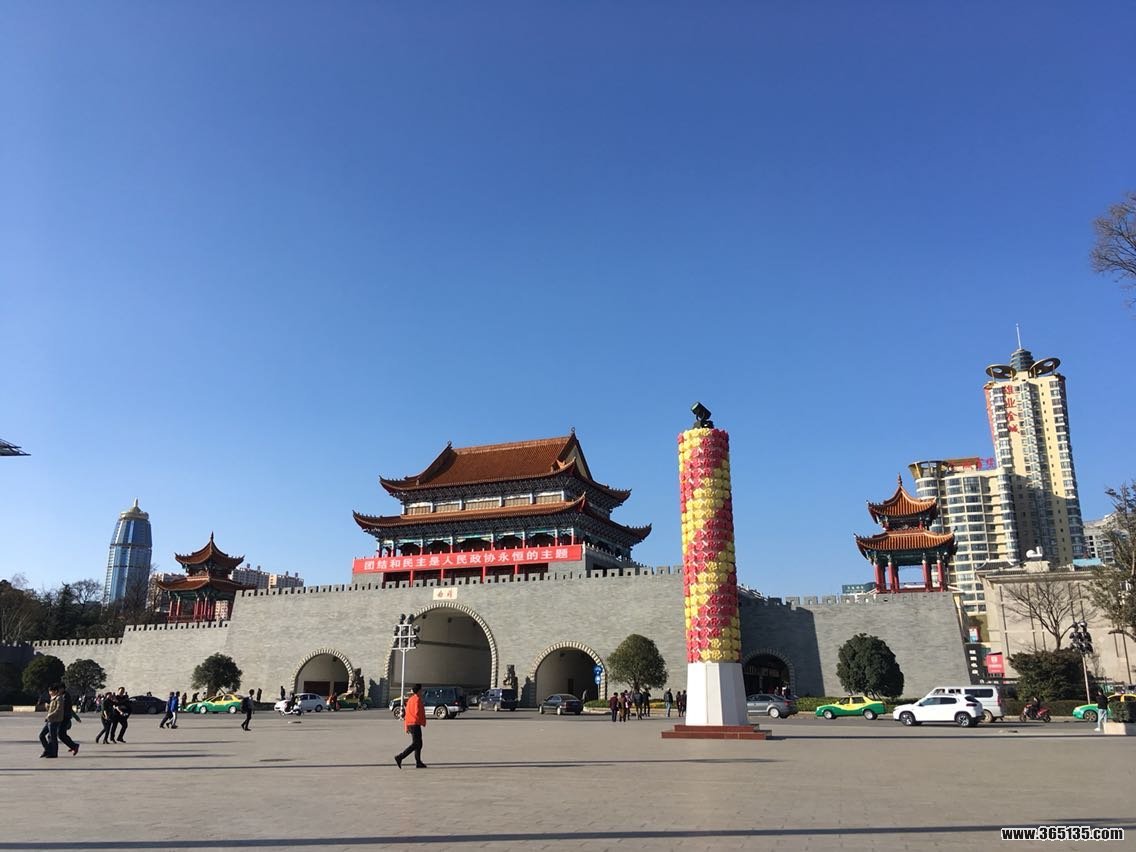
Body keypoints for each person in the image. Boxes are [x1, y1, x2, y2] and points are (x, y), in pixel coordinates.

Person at [394, 683, 427, 769]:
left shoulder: (410, 699)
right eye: (421, 690)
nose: (422, 691)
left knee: (419, 743)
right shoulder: (417, 699)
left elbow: (407, 714)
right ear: (419, 691)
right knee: (416, 744)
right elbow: (417, 712)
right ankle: (400, 757)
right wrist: (422, 721)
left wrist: (406, 726)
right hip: (415, 724)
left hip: (411, 723)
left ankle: (418, 762)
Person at [39, 684, 65, 758]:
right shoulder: (52, 698)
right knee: (41, 735)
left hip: (55, 720)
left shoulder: (59, 698)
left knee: (53, 737)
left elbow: (58, 710)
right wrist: (47, 706)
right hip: (50, 720)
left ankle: (54, 753)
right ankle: (47, 750)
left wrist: (49, 716)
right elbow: (51, 709)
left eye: (51, 691)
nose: (49, 693)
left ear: (55, 691)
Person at [57, 689, 81, 756]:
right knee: (62, 734)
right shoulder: (62, 696)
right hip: (62, 719)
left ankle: (73, 746)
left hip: (64, 719)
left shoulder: (65, 697)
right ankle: (73, 745)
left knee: (60, 734)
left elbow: (69, 709)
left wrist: (76, 717)